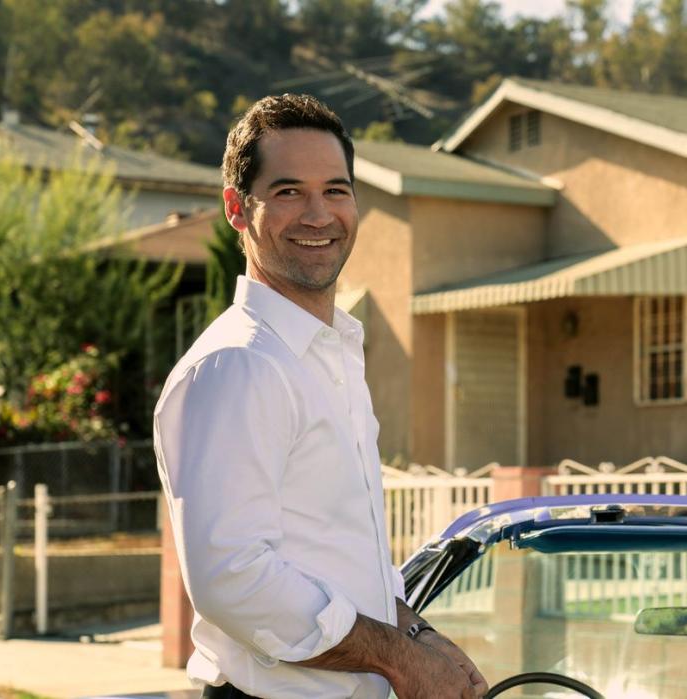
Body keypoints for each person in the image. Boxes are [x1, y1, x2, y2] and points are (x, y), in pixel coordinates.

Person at [153, 94, 488, 699]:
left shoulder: (330, 356)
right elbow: (234, 578)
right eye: (288, 192)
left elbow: (338, 555)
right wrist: (398, 660)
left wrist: (418, 635)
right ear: (237, 208)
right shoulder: (239, 364)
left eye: (335, 190)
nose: (318, 215)